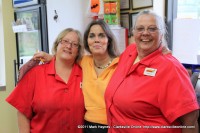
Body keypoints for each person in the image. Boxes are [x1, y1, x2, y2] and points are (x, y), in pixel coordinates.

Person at [17, 19, 171, 133]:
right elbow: (64, 57)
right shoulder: (84, 62)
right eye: (92, 36)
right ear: (87, 42)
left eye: (101, 35)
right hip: (87, 127)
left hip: (114, 126)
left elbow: (143, 54)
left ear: (108, 40)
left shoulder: (123, 63)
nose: (96, 39)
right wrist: (47, 56)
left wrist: (161, 51)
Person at [105, 10, 199, 133]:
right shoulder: (129, 52)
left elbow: (190, 120)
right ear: (133, 32)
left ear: (162, 34)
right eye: (140, 28)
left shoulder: (170, 68)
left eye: (152, 29)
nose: (145, 33)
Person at [6, 28, 85, 133]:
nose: (69, 46)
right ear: (57, 45)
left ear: (78, 51)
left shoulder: (85, 74)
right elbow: (23, 111)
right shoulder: (35, 74)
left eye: (75, 44)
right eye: (65, 41)